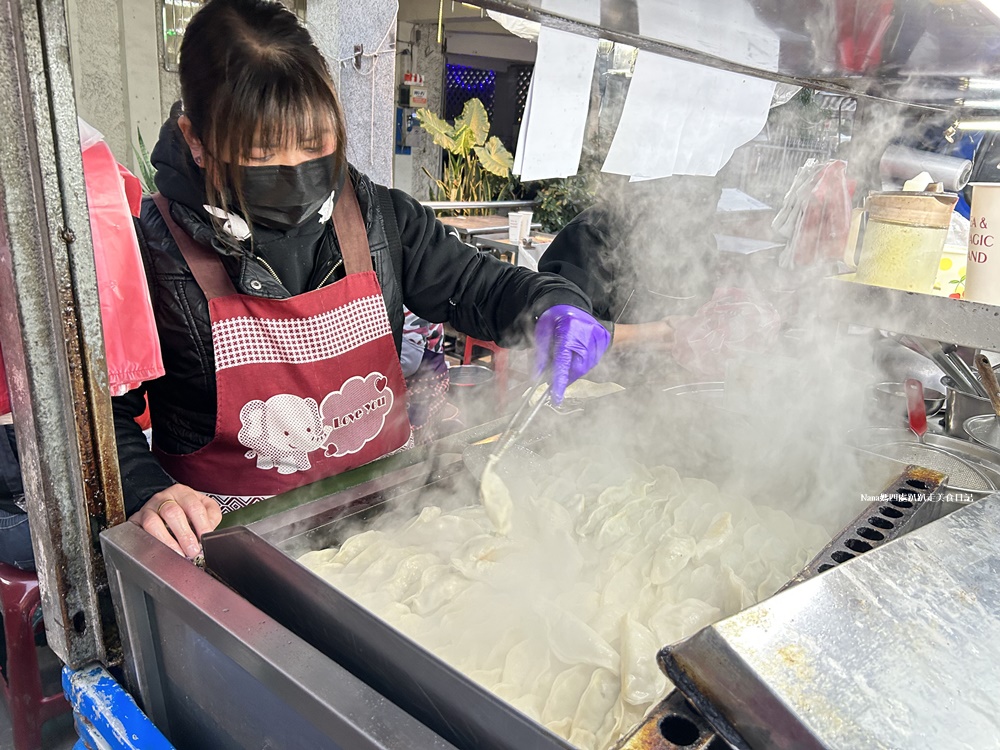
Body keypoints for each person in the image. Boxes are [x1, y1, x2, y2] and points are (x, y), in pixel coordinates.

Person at [113, 0, 609, 559]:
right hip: (234, 554)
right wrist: (147, 492)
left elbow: (482, 286)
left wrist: (554, 304)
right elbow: (105, 417)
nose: (295, 168)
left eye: (314, 142)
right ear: (196, 138)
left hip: (390, 532)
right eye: (262, 151)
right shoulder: (151, 252)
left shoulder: (380, 219)